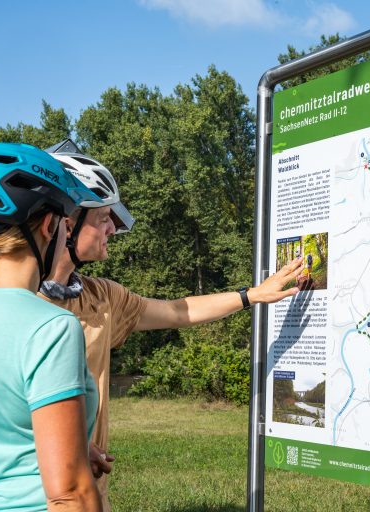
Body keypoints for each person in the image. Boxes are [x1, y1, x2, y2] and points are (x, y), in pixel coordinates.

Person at [40, 139, 304, 510]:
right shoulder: (14, 305)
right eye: (103, 219)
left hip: (89, 496)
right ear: (67, 223)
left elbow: (179, 311)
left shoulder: (100, 296)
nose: (112, 230)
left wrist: (252, 295)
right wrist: (70, 440)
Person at [0, 143, 103, 511]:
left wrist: (71, 444)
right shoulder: (50, 328)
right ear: (50, 226)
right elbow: (69, 493)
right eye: (67, 226)